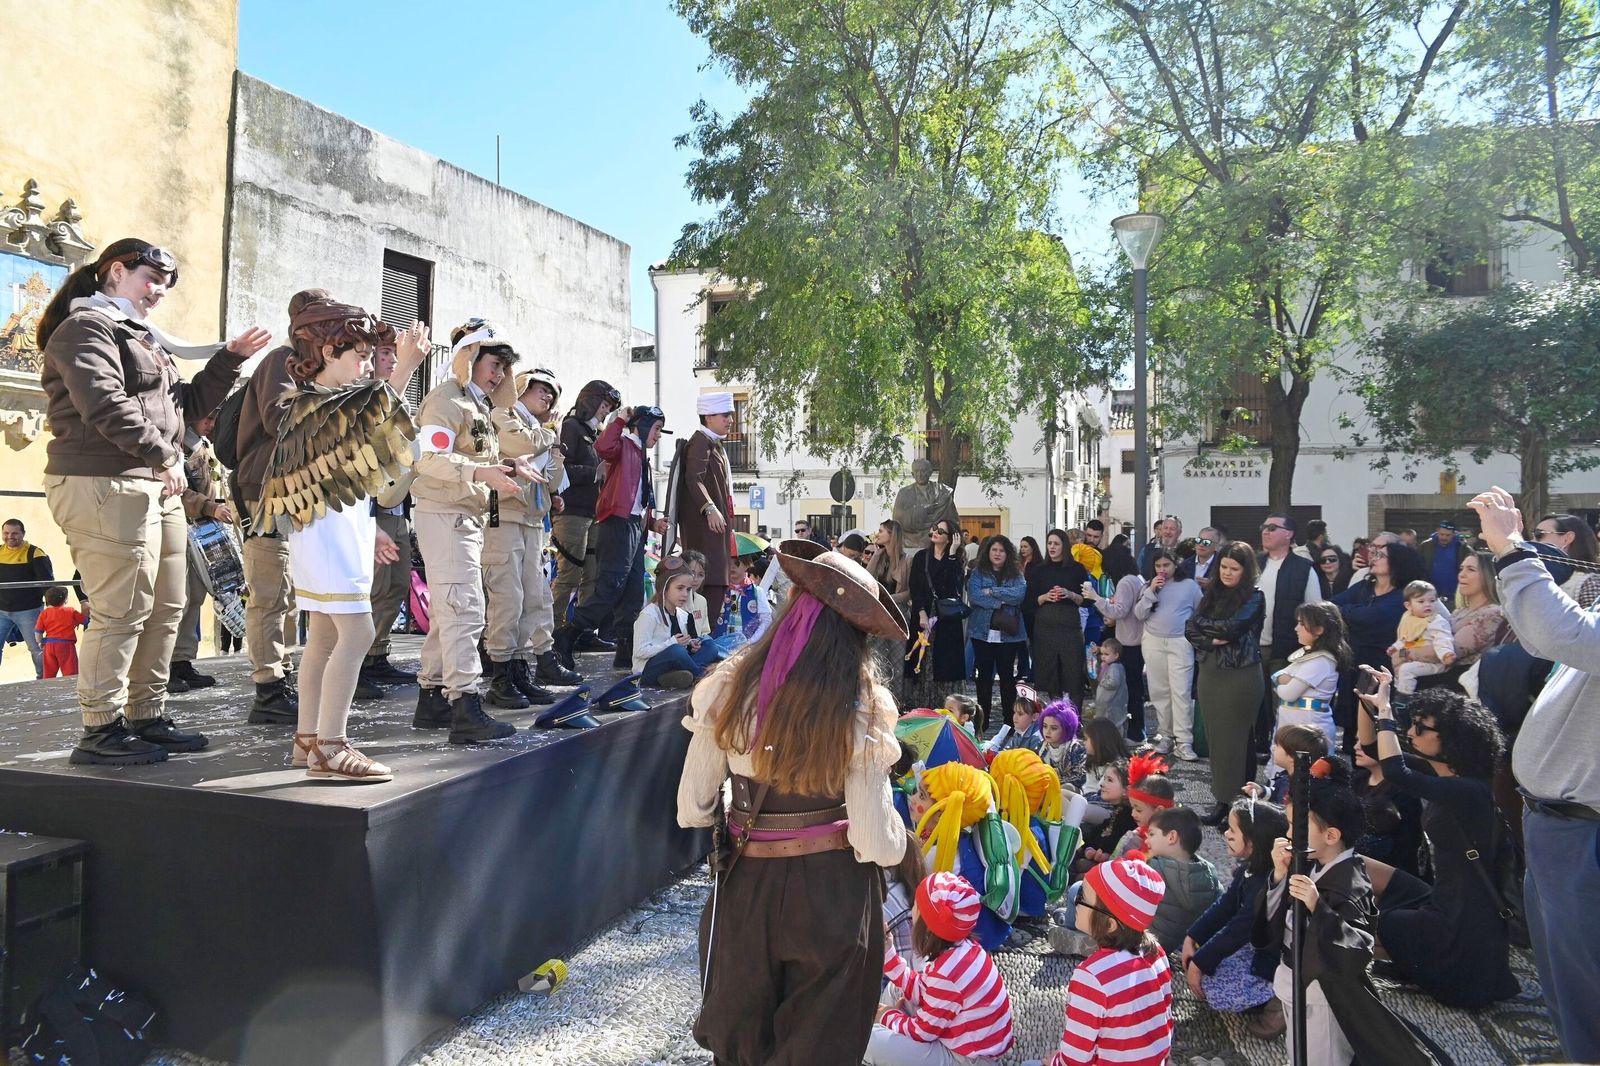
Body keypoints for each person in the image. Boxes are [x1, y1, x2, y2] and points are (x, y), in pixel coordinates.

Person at [676, 538, 910, 1065]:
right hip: (830, 895)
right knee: (817, 1045)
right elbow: (876, 843)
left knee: (742, 1044)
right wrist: (903, 838)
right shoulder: (864, 707)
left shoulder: (730, 685)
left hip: (745, 890)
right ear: (855, 636)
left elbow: (692, 807)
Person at [38, 239, 269, 764]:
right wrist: (163, 455)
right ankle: (100, 728)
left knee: (166, 607)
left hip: (152, 482)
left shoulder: (140, 337)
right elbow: (104, 403)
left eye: (166, 283)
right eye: (152, 278)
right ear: (116, 272)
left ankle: (146, 713)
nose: (159, 290)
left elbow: (182, 408)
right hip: (103, 480)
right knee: (121, 609)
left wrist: (229, 360)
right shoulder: (85, 329)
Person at [1471, 485, 1600, 1061]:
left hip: (1583, 829)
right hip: (1556, 823)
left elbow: (1556, 633)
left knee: (1587, 990)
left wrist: (1513, 548)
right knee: (1566, 988)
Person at [259, 297, 411, 781]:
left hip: (331, 530)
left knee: (324, 636)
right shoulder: (317, 403)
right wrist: (405, 365)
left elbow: (356, 467)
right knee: (358, 633)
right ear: (328, 351)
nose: (369, 365)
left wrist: (367, 532)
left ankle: (308, 741)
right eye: (361, 355)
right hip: (325, 534)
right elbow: (379, 421)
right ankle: (331, 746)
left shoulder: (314, 402)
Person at [1252, 756, 1440, 1066]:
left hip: (1323, 992)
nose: (1289, 834)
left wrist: (1317, 906)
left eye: (1296, 826)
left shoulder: (1351, 878)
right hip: (1291, 978)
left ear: (1331, 835)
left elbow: (1357, 946)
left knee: (1322, 1058)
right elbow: (1269, 922)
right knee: (1298, 1054)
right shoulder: (1310, 864)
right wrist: (1277, 876)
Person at [410, 317, 545, 743]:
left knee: (449, 609)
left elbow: (473, 459)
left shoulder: (476, 404)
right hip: (444, 512)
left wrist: (507, 466)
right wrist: (484, 471)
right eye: (493, 363)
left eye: (504, 366)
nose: (500, 374)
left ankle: (432, 696)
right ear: (469, 359)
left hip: (461, 514)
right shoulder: (444, 401)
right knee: (464, 609)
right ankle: (465, 707)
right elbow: (428, 461)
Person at [1353, 677, 1520, 1008]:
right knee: (1353, 865)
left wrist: (1387, 709)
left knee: (1382, 924)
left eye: (1421, 728)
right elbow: (1372, 748)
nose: (1411, 733)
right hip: (1442, 897)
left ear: (1453, 740)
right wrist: (1367, 700)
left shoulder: (1468, 790)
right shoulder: (1441, 774)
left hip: (1463, 919)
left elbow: (1395, 771)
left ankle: (1420, 965)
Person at [235, 289, 323, 725]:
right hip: (264, 487)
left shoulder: (306, 365)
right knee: (269, 592)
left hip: (291, 489)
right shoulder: (282, 360)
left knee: (286, 591)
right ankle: (268, 689)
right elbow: (278, 418)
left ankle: (281, 676)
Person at [553, 405, 671, 671]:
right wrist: (619, 421)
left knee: (632, 593)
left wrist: (652, 522)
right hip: (617, 525)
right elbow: (603, 447)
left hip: (633, 528)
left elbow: (636, 499)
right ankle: (567, 635)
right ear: (640, 427)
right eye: (656, 429)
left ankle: (625, 652)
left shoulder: (640, 455)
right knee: (609, 587)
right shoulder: (624, 446)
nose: (659, 435)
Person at [481, 366, 568, 710]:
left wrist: (555, 447)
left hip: (533, 519)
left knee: (534, 597)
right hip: (504, 514)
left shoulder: (539, 428)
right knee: (507, 597)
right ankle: (500, 675)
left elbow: (552, 477)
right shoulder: (503, 415)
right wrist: (551, 433)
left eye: (551, 393)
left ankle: (518, 669)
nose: (547, 397)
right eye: (540, 389)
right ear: (521, 388)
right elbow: (521, 445)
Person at [868, 871, 1017, 1065]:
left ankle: (875, 1032)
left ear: (927, 925)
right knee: (895, 989)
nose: (912, 907)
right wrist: (888, 952)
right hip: (967, 1040)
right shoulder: (962, 950)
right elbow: (925, 990)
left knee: (871, 1041)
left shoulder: (947, 974)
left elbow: (922, 1032)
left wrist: (887, 1015)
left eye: (916, 905)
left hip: (969, 1059)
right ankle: (880, 1027)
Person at [1041, 859, 1173, 1066]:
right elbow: (1165, 1018)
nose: (1074, 900)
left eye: (1082, 897)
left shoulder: (1092, 977)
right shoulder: (1157, 953)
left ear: (1109, 924)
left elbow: (1075, 1058)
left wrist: (1054, 1062)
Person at [359, 318, 430, 691]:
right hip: (368, 509)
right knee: (373, 587)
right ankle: (357, 663)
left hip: (396, 507)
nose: (390, 358)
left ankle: (376, 655)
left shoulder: (395, 398)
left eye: (391, 352)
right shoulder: (363, 396)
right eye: (384, 352)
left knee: (395, 585)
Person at [1181, 797, 1289, 1038]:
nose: (1226, 833)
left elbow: (1240, 928)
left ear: (1254, 842)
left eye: (1232, 830)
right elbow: (1226, 905)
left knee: (1214, 989)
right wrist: (1193, 936)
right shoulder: (1249, 869)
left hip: (1270, 958)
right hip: (1252, 944)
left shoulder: (1267, 882)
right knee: (1189, 950)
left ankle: (1276, 997)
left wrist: (1200, 963)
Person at [1185, 542, 1265, 825]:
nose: (1228, 573)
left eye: (1235, 568)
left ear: (1246, 570)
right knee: (1217, 739)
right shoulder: (1212, 592)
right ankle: (1223, 799)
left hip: (1239, 674)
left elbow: (1232, 628)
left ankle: (1238, 803)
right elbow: (1190, 627)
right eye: (1224, 567)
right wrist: (1210, 638)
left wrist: (1209, 629)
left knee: (1238, 740)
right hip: (1211, 672)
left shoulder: (1255, 597)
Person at [1333, 540, 1423, 755]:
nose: (1373, 558)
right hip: (1352, 665)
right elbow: (1332, 604)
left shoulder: (1403, 595)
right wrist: (1355, 610)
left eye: (1381, 555)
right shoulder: (1365, 586)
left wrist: (1351, 611)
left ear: (1397, 563)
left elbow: (1371, 617)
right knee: (1349, 733)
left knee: (1372, 733)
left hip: (1380, 668)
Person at [551, 379, 620, 638]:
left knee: (591, 576)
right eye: (604, 405)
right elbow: (559, 468)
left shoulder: (595, 434)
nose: (605, 410)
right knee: (568, 575)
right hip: (571, 513)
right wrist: (595, 472)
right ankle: (554, 632)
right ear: (590, 402)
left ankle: (581, 633)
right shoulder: (570, 427)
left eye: (609, 407)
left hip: (592, 513)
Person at [169, 409, 229, 694]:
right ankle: (165, 664)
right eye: (207, 417)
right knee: (176, 599)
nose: (211, 424)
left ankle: (182, 660)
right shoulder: (176, 445)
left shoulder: (202, 446)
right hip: (180, 526)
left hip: (200, 531)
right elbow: (178, 492)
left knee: (194, 596)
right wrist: (210, 507)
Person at [1254, 513, 1321, 767]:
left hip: (1285, 648)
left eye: (1272, 527)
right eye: (1264, 526)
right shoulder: (1255, 563)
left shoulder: (1303, 568)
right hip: (1253, 646)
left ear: (1289, 534)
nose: (1265, 531)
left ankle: (1282, 751)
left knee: (1280, 704)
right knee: (1256, 702)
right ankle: (1260, 745)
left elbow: (1313, 609)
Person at [674, 391, 737, 620]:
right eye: (724, 415)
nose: (730, 420)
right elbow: (694, 478)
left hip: (716, 532)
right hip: (704, 531)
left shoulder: (713, 444)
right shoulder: (700, 442)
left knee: (717, 581)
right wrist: (709, 508)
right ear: (708, 417)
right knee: (709, 582)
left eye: (730, 414)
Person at [1134, 547, 1201, 760]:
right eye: (1158, 566)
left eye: (1166, 565)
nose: (1162, 570)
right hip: (1153, 641)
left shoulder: (1189, 586)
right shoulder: (1148, 585)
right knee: (1159, 691)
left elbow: (1200, 610)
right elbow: (1138, 613)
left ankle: (1184, 741)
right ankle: (1166, 735)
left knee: (1180, 691)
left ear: (1175, 565)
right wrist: (1151, 591)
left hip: (1180, 641)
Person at [1082, 543, 1146, 742]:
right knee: (1135, 689)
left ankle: (1135, 733)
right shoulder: (1136, 579)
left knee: (1130, 690)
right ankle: (1137, 730)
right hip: (1135, 640)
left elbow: (1119, 610)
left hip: (1128, 642)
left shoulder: (1126, 582)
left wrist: (1095, 598)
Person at [966, 535, 1028, 732]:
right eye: (994, 550)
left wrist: (991, 591)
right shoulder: (978, 573)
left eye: (1001, 550)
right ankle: (982, 721)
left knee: (1007, 677)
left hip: (1008, 635)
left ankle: (1009, 722)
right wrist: (1000, 602)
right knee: (983, 677)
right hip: (981, 632)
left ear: (1007, 553)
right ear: (988, 552)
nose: (998, 554)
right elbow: (975, 597)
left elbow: (1018, 595)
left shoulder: (1015, 574)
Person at [1024, 529, 1089, 709]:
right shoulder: (1039, 570)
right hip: (1045, 627)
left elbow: (1087, 600)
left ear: (1064, 546)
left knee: (1073, 671)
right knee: (1051, 673)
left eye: (1056, 544)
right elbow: (1028, 602)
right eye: (1049, 543)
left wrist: (1070, 594)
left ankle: (1075, 718)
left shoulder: (1076, 569)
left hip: (1069, 626)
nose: (1052, 547)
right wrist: (1045, 597)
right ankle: (1057, 714)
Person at [633, 558, 723, 689]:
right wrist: (672, 643)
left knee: (710, 645)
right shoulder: (649, 615)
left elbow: (681, 646)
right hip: (647, 669)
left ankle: (677, 676)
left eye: (688, 589)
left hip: (674, 661)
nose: (685, 594)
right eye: (680, 588)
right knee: (676, 651)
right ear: (664, 588)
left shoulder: (682, 614)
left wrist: (691, 644)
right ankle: (700, 675)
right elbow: (640, 652)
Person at [1271, 601, 1348, 751]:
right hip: (1292, 722)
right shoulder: (1309, 656)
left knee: (1305, 770)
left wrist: (1282, 682)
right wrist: (1283, 680)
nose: (1296, 628)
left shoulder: (1321, 661)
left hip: (1309, 727)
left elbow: (1289, 694)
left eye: (1301, 623)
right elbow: (1278, 675)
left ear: (1319, 629)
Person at [1144, 806, 1223, 953]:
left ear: (1172, 837)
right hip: (1178, 944)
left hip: (1145, 943)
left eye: (1151, 834)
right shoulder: (1208, 873)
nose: (1147, 841)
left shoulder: (1153, 869)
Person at [907, 518, 967, 709]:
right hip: (924, 614)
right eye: (934, 528)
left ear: (950, 538)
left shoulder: (956, 560)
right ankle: (921, 706)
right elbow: (915, 588)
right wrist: (922, 613)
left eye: (940, 531)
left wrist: (950, 555)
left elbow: (952, 587)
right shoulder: (921, 557)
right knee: (922, 662)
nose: (935, 533)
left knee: (945, 665)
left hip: (947, 619)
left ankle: (946, 707)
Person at [0, 518, 53, 677]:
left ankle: (44, 680)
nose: (10, 536)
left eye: (15, 533)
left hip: (29, 611)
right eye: (6, 533)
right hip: (1, 611)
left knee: (36, 648)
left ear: (23, 534)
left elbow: (47, 582)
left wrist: (52, 609)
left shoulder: (35, 553)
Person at [866, 519, 912, 692]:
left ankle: (897, 702)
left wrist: (888, 598)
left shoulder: (907, 560)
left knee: (897, 661)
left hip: (898, 614)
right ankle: (877, 698)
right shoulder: (879, 557)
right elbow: (867, 580)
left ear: (891, 535)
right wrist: (876, 556)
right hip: (878, 614)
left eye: (881, 531)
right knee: (877, 659)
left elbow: (909, 592)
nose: (877, 534)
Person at [1388, 580, 1455, 694]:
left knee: (1406, 670)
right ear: (1408, 605)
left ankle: (1404, 697)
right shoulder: (1410, 619)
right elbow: (1406, 638)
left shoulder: (1436, 621)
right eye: (1421, 601)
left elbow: (1443, 639)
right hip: (1414, 657)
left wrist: (1446, 653)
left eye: (1432, 601)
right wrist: (1396, 647)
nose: (1428, 604)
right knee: (1398, 663)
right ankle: (1398, 690)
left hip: (1434, 663)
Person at [892, 458, 961, 554]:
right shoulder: (904, 493)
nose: (919, 474)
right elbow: (898, 519)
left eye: (923, 471)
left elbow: (953, 520)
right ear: (912, 474)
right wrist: (924, 510)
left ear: (930, 472)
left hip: (938, 545)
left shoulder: (943, 492)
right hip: (911, 543)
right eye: (916, 471)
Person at [1532, 512, 1599, 597]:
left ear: (1567, 538)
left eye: (1539, 535)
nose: (1532, 541)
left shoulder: (1590, 583)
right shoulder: (1537, 578)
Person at [33, 585, 87, 678]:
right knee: (70, 672)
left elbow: (38, 632)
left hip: (49, 645)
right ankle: (71, 690)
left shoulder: (44, 613)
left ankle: (48, 689)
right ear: (65, 600)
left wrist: (41, 642)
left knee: (49, 673)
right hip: (66, 645)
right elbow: (86, 620)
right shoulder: (70, 611)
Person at [1036, 697, 1087, 793]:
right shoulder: (1041, 747)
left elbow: (1081, 777)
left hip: (1071, 794)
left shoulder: (1076, 748)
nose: (1048, 731)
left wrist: (1054, 782)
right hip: (1046, 788)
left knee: (1066, 788)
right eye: (1045, 726)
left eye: (1054, 728)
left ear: (1066, 729)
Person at [1418, 520, 1470, 602]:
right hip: (1430, 595)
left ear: (1453, 534)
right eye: (1442, 534)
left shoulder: (1462, 548)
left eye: (1448, 535)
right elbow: (1419, 568)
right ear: (1437, 531)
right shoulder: (1425, 547)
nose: (1444, 537)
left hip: (1455, 595)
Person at [1090, 638, 1127, 728]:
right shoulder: (1108, 665)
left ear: (1116, 655)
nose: (1103, 656)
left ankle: (1112, 741)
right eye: (1102, 654)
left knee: (1111, 725)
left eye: (1106, 654)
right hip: (1107, 703)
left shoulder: (1114, 667)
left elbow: (1113, 683)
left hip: (1111, 704)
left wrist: (1103, 681)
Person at [1137, 515, 1181, 580]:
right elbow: (1139, 573)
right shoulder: (1146, 550)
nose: (1168, 532)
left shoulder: (1184, 551)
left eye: (1172, 529)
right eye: (1165, 528)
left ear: (1179, 532)